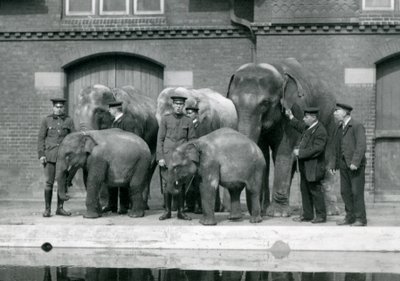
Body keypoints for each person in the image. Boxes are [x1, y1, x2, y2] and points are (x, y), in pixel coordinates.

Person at [156, 94, 196, 220]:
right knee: (167, 183)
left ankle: (180, 211)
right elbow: (160, 140)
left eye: (181, 105)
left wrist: (190, 159)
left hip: (182, 158)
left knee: (181, 184)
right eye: (176, 104)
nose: (178, 107)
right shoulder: (165, 119)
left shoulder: (188, 121)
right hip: (167, 157)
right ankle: (167, 211)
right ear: (172, 105)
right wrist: (160, 157)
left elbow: (192, 140)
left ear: (183, 106)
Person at [286, 107, 327, 223]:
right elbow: (299, 125)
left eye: (306, 117)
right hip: (305, 166)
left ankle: (321, 216)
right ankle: (307, 215)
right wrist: (290, 116)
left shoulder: (320, 131)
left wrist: (300, 153)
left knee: (315, 190)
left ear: (313, 118)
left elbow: (317, 149)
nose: (304, 119)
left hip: (314, 166)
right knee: (305, 190)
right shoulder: (308, 127)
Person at [330, 102, 367, 226]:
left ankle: (360, 219)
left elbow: (361, 146)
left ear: (345, 113)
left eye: (337, 110)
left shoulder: (357, 126)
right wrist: (333, 165)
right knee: (345, 192)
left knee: (356, 192)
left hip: (355, 166)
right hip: (343, 165)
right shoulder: (339, 127)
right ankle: (350, 217)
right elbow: (336, 147)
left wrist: (355, 162)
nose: (334, 113)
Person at [37, 98, 75, 217]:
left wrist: (72, 156)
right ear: (53, 108)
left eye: (61, 107)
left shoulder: (69, 121)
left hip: (63, 158)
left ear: (64, 108)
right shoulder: (46, 120)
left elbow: (74, 138)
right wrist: (41, 155)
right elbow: (41, 139)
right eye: (56, 107)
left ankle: (60, 208)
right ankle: (47, 209)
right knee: (49, 182)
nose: (59, 109)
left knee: (62, 183)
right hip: (50, 157)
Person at [102, 101, 136, 215]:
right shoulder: (114, 121)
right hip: (113, 155)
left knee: (123, 180)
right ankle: (112, 205)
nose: (109, 111)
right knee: (111, 179)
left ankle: (124, 206)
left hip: (124, 155)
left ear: (116, 109)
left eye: (110, 109)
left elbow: (130, 138)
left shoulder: (128, 121)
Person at [183, 100, 202, 214]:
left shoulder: (201, 126)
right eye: (187, 113)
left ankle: (198, 206)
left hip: (198, 157)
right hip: (188, 158)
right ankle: (189, 205)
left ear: (196, 114)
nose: (188, 115)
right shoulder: (186, 126)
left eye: (190, 113)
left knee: (198, 183)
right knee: (188, 181)